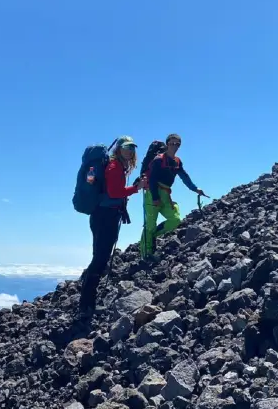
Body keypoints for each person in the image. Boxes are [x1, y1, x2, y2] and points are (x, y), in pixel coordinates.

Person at [78, 135, 146, 318]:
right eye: (127, 147)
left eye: (132, 148)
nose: (130, 151)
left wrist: (132, 188)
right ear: (119, 149)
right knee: (100, 258)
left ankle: (86, 298)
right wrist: (136, 188)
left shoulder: (117, 166)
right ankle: (86, 304)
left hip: (104, 215)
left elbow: (114, 191)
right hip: (105, 217)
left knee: (99, 256)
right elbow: (115, 192)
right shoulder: (115, 166)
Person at [139, 133, 205, 258]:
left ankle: (152, 237)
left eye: (177, 144)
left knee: (175, 220)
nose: (175, 146)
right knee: (150, 225)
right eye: (172, 143)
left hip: (165, 193)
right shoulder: (158, 160)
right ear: (167, 144)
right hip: (152, 193)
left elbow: (184, 177)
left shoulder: (177, 162)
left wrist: (195, 189)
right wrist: (155, 197)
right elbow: (152, 179)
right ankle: (145, 254)